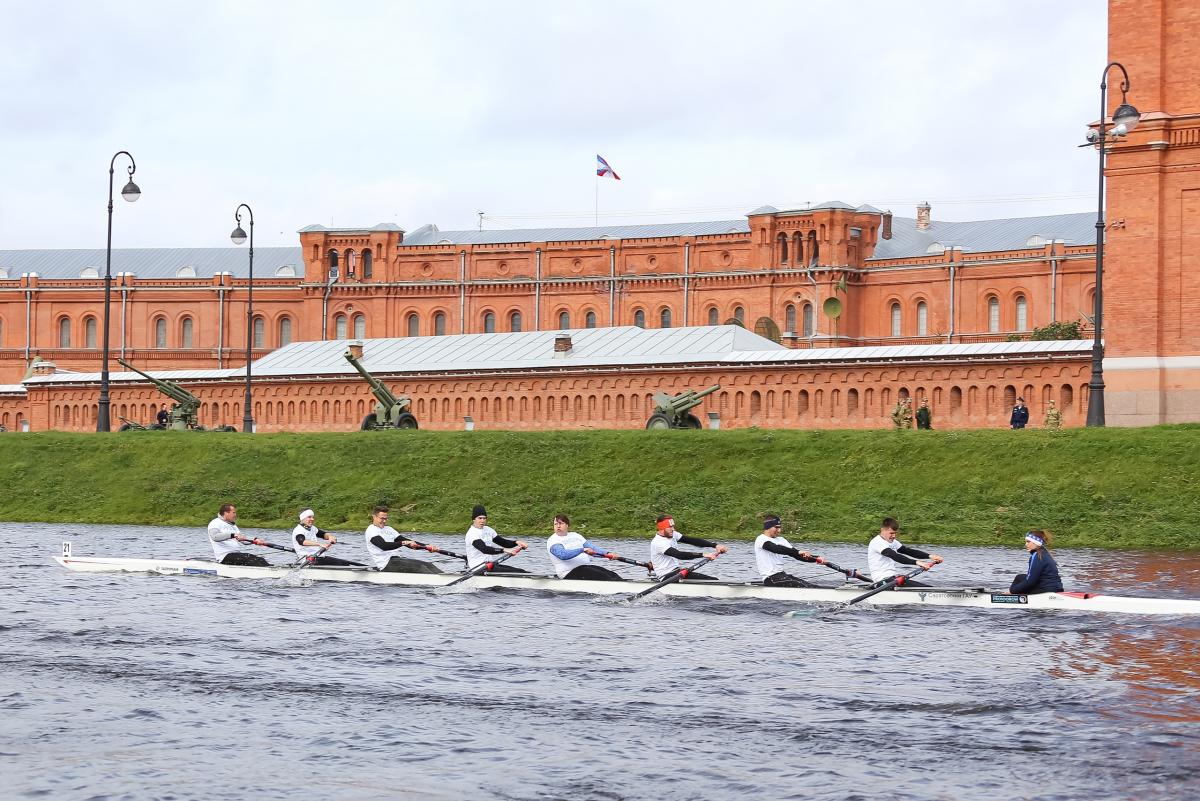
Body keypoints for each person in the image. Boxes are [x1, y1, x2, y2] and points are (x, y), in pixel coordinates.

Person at [364, 505, 445, 573]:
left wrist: (427, 546)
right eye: (382, 518)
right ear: (374, 517)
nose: (384, 521)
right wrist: (403, 543)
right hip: (385, 564)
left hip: (397, 560)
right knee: (420, 567)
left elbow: (408, 542)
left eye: (386, 518)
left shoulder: (389, 529)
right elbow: (384, 546)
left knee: (428, 565)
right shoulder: (371, 530)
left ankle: (447, 577)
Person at [867, 517, 943, 587]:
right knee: (926, 588)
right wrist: (918, 562)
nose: (894, 536)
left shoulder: (893, 542)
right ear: (882, 530)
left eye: (895, 533)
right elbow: (895, 556)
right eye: (891, 533)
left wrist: (930, 556)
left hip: (892, 578)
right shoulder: (877, 542)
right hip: (881, 580)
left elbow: (908, 551)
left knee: (925, 587)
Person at [546, 514, 625, 581]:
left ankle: (624, 584)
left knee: (612, 574)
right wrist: (582, 550)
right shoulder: (553, 540)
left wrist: (608, 554)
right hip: (568, 573)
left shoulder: (575, 536)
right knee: (600, 575)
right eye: (556, 524)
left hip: (584, 568)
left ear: (567, 525)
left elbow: (592, 548)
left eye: (561, 523)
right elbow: (563, 555)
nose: (558, 526)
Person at [650, 515, 725, 581]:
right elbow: (679, 555)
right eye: (670, 527)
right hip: (665, 576)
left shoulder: (673, 534)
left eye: (673, 526)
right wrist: (703, 554)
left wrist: (715, 545)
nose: (673, 529)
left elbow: (692, 541)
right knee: (712, 581)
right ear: (662, 528)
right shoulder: (658, 542)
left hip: (676, 572)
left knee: (712, 580)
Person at [754, 514, 819, 587]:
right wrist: (797, 552)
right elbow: (776, 549)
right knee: (807, 587)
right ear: (768, 527)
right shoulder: (761, 539)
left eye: (780, 528)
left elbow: (797, 555)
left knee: (812, 586)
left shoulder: (781, 540)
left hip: (782, 575)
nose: (779, 531)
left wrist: (817, 559)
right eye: (776, 528)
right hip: (770, 578)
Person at [464, 504, 528, 574]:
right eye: (480, 518)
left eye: (484, 518)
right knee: (518, 572)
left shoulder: (489, 530)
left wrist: (516, 542)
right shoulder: (472, 533)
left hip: (490, 565)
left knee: (521, 571)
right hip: (478, 568)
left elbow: (504, 543)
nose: (482, 521)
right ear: (474, 519)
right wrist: (503, 550)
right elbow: (484, 549)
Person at [292, 509, 363, 567]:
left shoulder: (312, 528)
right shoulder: (299, 530)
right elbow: (302, 541)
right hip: (307, 559)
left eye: (313, 517)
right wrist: (320, 544)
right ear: (303, 518)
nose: (312, 519)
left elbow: (323, 534)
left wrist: (330, 537)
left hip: (317, 557)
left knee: (345, 563)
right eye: (309, 517)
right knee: (342, 564)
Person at [1008, 530, 1064, 594]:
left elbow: (1030, 581)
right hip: (1057, 588)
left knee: (1018, 586)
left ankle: (1010, 596)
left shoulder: (1037, 556)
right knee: (1019, 577)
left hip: (1047, 591)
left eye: (1028, 542)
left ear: (1036, 543)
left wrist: (1012, 591)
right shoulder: (1044, 552)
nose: (1026, 544)